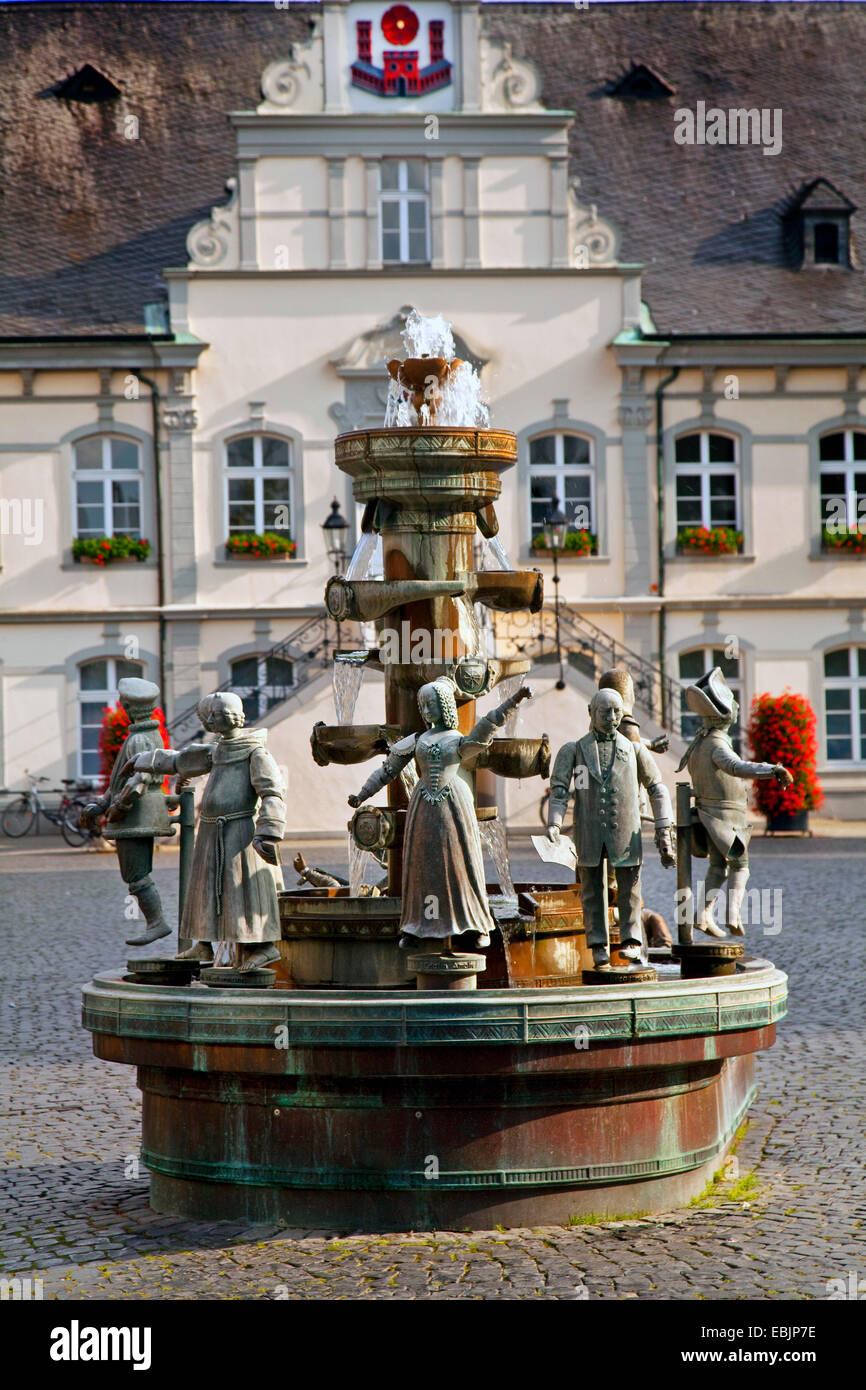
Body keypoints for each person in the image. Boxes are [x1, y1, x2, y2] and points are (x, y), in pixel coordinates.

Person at [348, 677, 531, 949]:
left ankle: (474, 925)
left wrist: (513, 701)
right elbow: (387, 770)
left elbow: (485, 729)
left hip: (454, 804)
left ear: (444, 705)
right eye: (422, 705)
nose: (425, 710)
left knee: (461, 863)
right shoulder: (417, 740)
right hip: (422, 806)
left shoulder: (457, 740)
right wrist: (362, 794)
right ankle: (415, 926)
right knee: (421, 864)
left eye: (430, 703)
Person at [121, 692, 285, 971]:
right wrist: (142, 760)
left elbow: (272, 792)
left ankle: (263, 947)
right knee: (205, 889)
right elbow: (180, 760)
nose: (206, 723)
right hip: (211, 830)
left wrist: (268, 831)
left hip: (239, 831)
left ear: (217, 718)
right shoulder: (218, 750)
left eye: (207, 718)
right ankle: (203, 943)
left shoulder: (255, 753)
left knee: (241, 890)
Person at [547, 688, 676, 971]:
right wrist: (554, 821)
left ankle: (632, 940)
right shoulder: (574, 750)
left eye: (617, 711)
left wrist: (664, 825)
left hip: (625, 832)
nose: (612, 717)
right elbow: (559, 791)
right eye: (605, 711)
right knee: (592, 890)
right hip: (589, 833)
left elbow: (657, 788)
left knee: (630, 888)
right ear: (591, 712)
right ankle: (597, 946)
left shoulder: (634, 749)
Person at [677, 667, 792, 938]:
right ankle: (733, 914)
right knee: (741, 865)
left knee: (718, 866)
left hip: (713, 813)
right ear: (725, 715)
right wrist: (773, 769)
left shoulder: (701, 742)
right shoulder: (716, 744)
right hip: (724, 818)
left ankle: (702, 914)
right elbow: (737, 767)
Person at [80, 677, 174, 947]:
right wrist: (101, 803)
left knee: (135, 873)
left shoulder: (139, 739)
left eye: (123, 703)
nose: (121, 705)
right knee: (135, 873)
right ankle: (155, 922)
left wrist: (119, 807)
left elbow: (138, 782)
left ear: (130, 706)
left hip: (137, 815)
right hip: (140, 812)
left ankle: (157, 923)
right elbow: (121, 780)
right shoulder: (141, 736)